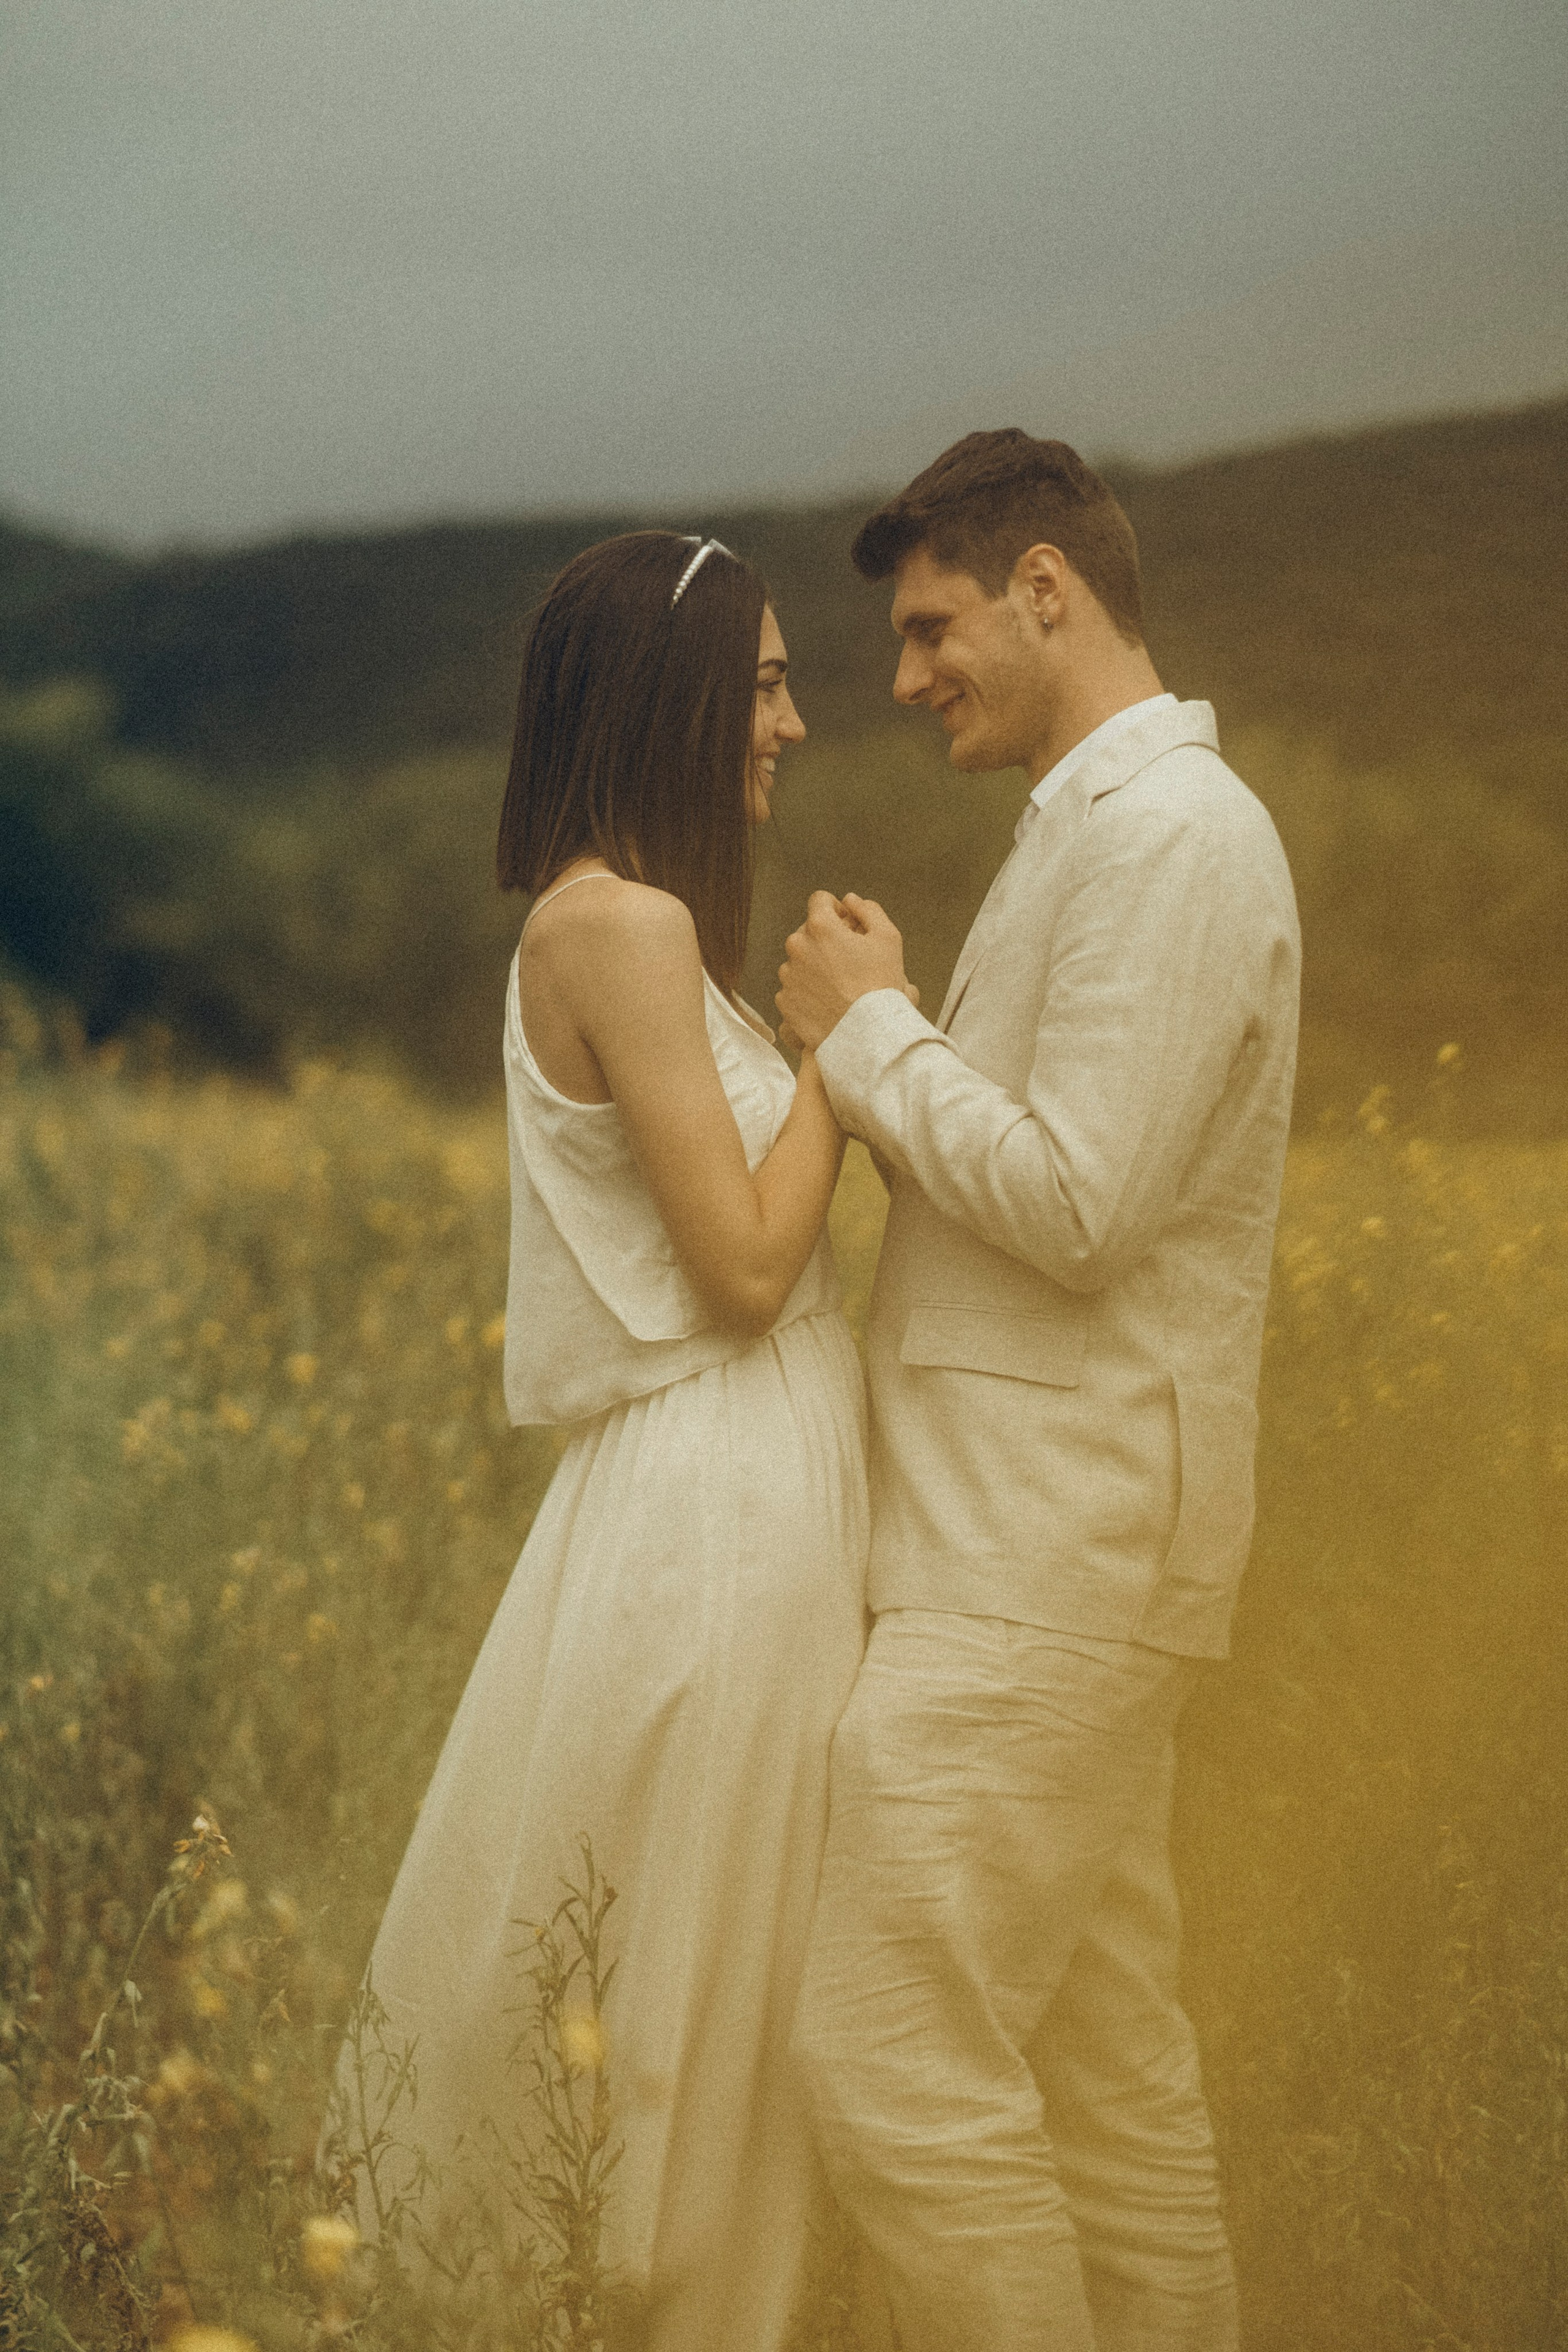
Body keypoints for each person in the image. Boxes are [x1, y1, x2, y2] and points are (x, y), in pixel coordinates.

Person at [778, 431, 1300, 2352]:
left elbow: (1081, 1202)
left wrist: (873, 1037)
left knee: (891, 2060)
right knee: (1108, 2087)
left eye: (931, 628)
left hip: (1041, 1565)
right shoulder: (1098, 826)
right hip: (1044, 1546)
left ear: (1048, 591)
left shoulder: (1173, 836)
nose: (906, 678)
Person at [343, 530, 869, 2351]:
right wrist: (854, 1052)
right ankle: (658, 2302)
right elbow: (738, 1265)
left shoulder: (641, 927)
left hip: (732, 1483)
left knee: (709, 1932)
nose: (794, 722)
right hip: (713, 1492)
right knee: (691, 1942)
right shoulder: (616, 927)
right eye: (771, 681)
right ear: (679, 695)